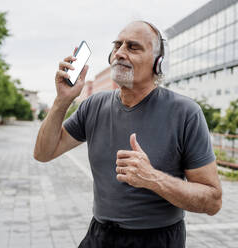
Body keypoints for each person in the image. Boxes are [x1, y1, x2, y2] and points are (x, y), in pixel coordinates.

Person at [34, 21, 222, 248]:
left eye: (133, 47)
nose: (120, 53)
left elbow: (212, 201)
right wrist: (62, 100)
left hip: (157, 240)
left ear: (158, 63)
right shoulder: (93, 105)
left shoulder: (185, 113)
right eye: (117, 46)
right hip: (100, 235)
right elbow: (43, 153)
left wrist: (153, 178)